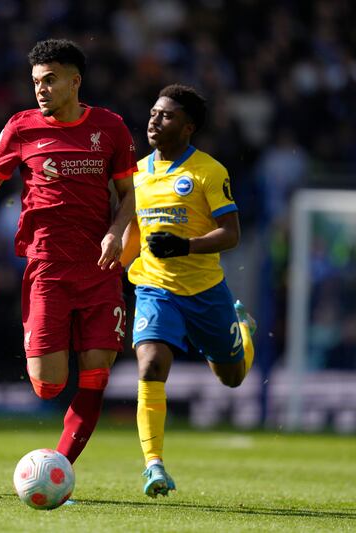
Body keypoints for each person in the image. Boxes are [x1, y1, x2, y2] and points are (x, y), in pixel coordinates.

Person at [0, 39, 136, 471]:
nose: (41, 89)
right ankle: (57, 453)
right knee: (48, 385)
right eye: (37, 81)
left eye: (50, 80)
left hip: (100, 270)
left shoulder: (110, 127)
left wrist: (117, 231)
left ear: (75, 82)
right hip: (47, 269)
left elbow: (129, 192)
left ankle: (59, 466)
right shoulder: (21, 128)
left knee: (97, 372)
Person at [120, 84, 256, 497]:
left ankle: (241, 327)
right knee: (151, 364)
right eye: (153, 112)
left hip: (205, 290)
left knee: (231, 378)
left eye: (166, 116)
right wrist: (115, 253)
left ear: (188, 127)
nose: (154, 120)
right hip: (155, 287)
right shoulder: (136, 173)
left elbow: (231, 234)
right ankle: (154, 465)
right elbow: (130, 227)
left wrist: (186, 246)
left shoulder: (208, 172)